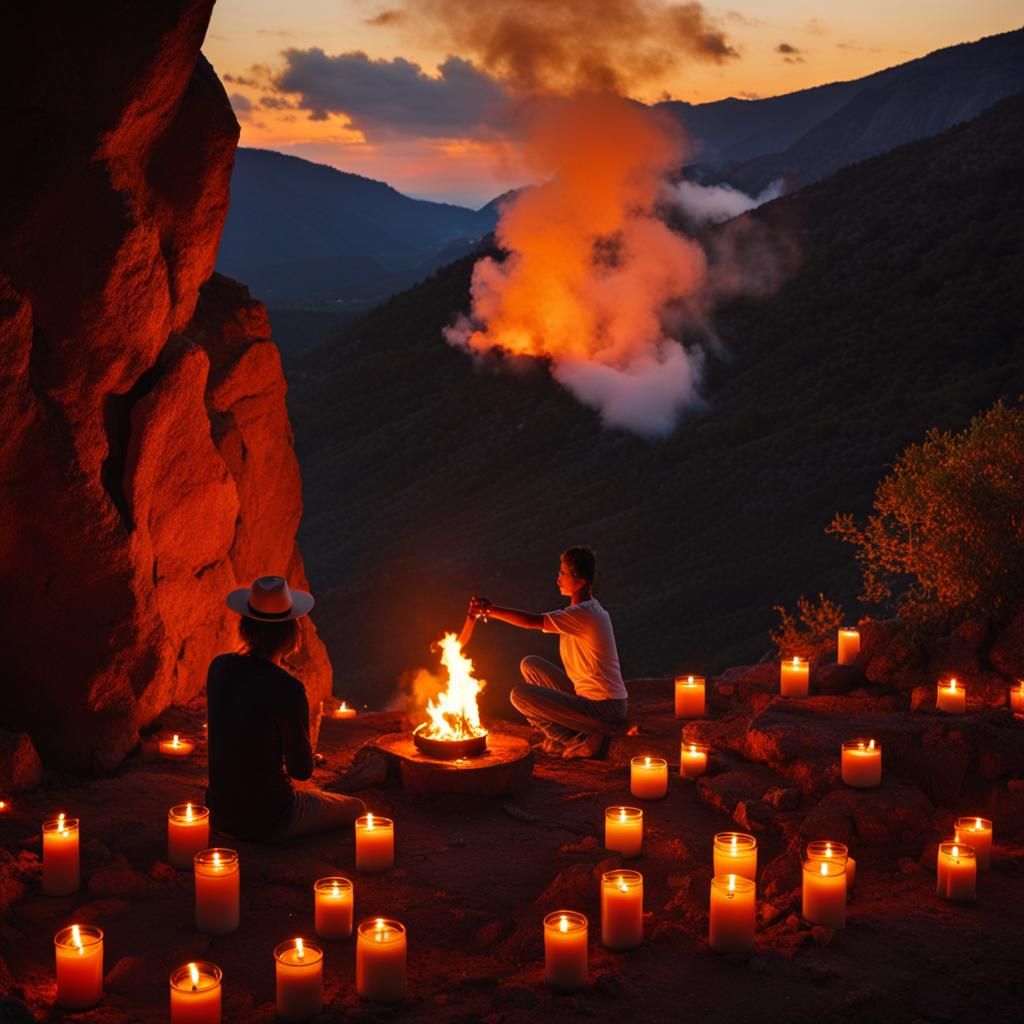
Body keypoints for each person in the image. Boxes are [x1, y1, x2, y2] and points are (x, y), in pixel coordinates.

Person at [205, 575, 365, 843]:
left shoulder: (219, 667)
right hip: (270, 818)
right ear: (291, 633)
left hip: (219, 812)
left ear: (245, 626)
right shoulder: (287, 688)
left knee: (317, 799)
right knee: (357, 808)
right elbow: (300, 771)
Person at [470, 546, 628, 759]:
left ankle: (577, 741)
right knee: (530, 664)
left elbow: (531, 622)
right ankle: (564, 736)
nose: (558, 579)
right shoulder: (583, 611)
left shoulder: (584, 614)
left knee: (520, 696)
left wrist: (489, 610)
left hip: (605, 709)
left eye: (563, 574)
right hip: (591, 699)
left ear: (580, 582)